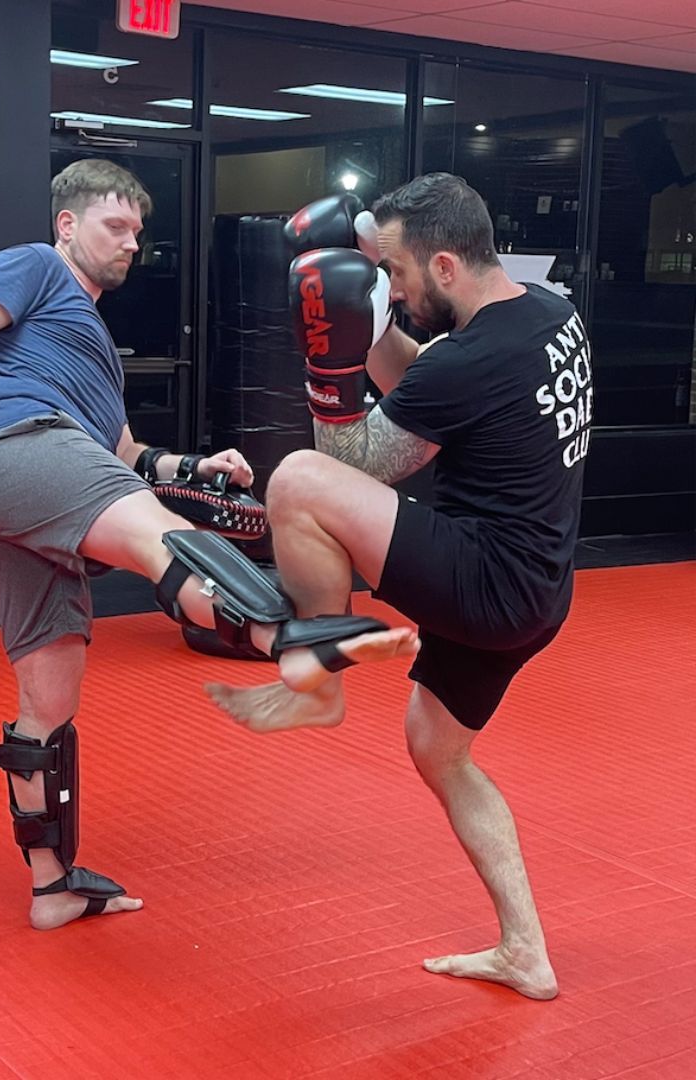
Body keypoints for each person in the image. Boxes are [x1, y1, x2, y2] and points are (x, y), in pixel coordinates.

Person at [0, 158, 417, 931]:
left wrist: (195, 465)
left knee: (46, 708)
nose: (130, 244)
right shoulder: (31, 266)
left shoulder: (86, 336)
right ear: (67, 224)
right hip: (23, 452)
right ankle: (285, 639)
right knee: (168, 537)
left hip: (30, 492)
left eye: (137, 232)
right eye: (113, 226)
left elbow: (124, 455)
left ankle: (52, 887)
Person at [208, 173, 594, 1000]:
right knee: (437, 749)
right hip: (541, 592)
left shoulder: (470, 358)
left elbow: (355, 466)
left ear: (446, 264)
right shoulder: (551, 317)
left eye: (401, 274)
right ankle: (526, 949)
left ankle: (320, 671)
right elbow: (432, 385)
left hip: (486, 582)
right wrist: (369, 327)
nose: (394, 288)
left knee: (300, 480)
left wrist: (326, 358)